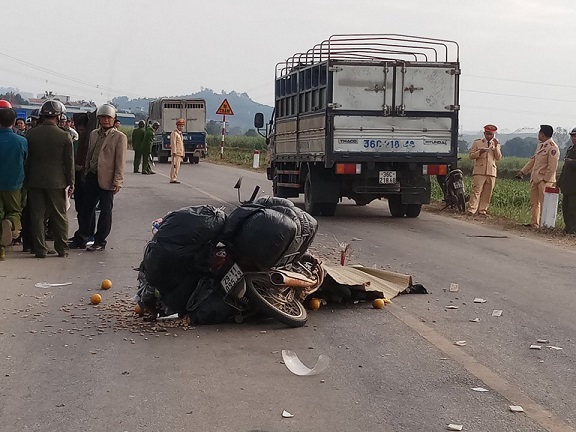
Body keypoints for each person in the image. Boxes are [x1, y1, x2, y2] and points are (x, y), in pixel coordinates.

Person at [69, 103, 127, 252]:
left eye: (108, 117)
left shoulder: (119, 137)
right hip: (92, 176)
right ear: (99, 119)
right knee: (86, 209)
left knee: (105, 211)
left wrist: (118, 181)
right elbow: (89, 153)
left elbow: (120, 161)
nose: (106, 120)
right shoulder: (94, 133)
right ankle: (83, 236)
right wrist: (86, 170)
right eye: (103, 117)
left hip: (107, 178)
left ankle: (100, 240)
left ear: (114, 119)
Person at [25, 100, 74, 258]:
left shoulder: (30, 134)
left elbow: (27, 160)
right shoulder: (65, 136)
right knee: (59, 215)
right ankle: (62, 248)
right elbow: (69, 162)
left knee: (37, 215)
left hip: (34, 180)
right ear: (59, 116)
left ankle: (40, 249)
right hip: (57, 181)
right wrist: (71, 182)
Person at [516, 125, 560, 228]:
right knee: (534, 202)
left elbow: (552, 167)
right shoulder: (540, 146)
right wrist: (523, 172)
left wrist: (545, 180)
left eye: (539, 133)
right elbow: (533, 161)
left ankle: (545, 224)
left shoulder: (553, 147)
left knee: (545, 203)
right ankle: (534, 223)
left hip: (544, 181)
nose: (538, 135)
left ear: (543, 134)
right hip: (535, 179)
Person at [0, 101, 28, 261]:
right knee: (14, 212)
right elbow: (26, 160)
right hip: (14, 184)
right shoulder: (21, 141)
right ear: (13, 122)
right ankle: (10, 224)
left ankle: (1, 250)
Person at [467, 124, 502, 216]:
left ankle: (482, 210)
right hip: (479, 170)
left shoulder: (496, 144)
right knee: (476, 190)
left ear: (494, 134)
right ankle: (472, 209)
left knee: (487, 192)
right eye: (487, 134)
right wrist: (479, 152)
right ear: (484, 133)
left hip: (491, 171)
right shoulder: (478, 143)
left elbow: (498, 157)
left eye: (491, 134)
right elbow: (471, 156)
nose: (489, 136)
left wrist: (495, 147)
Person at [557, 128, 576, 234]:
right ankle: (568, 227)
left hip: (575, 186)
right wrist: (559, 181)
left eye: (575, 136)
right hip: (567, 185)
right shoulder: (570, 149)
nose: (574, 138)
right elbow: (564, 168)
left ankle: (573, 229)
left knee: (574, 209)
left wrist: (572, 162)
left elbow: (570, 164)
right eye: (572, 136)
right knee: (566, 207)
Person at [170, 118, 185, 183]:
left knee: (177, 166)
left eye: (182, 126)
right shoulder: (174, 133)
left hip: (180, 153)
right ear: (177, 126)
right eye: (180, 126)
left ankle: (175, 177)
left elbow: (181, 144)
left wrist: (183, 153)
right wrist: (174, 152)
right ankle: (173, 178)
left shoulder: (180, 134)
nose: (181, 127)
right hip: (176, 153)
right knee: (174, 166)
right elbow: (173, 143)